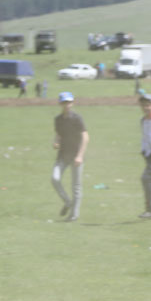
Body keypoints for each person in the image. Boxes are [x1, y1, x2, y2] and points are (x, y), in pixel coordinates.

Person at [51, 92, 88, 223]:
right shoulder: (58, 119)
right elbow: (58, 134)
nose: (67, 105)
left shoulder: (77, 118)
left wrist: (80, 156)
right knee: (54, 178)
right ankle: (67, 201)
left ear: (72, 103)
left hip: (76, 156)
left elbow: (85, 137)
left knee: (76, 186)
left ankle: (73, 216)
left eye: (69, 102)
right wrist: (56, 142)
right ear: (60, 103)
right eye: (64, 102)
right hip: (62, 155)